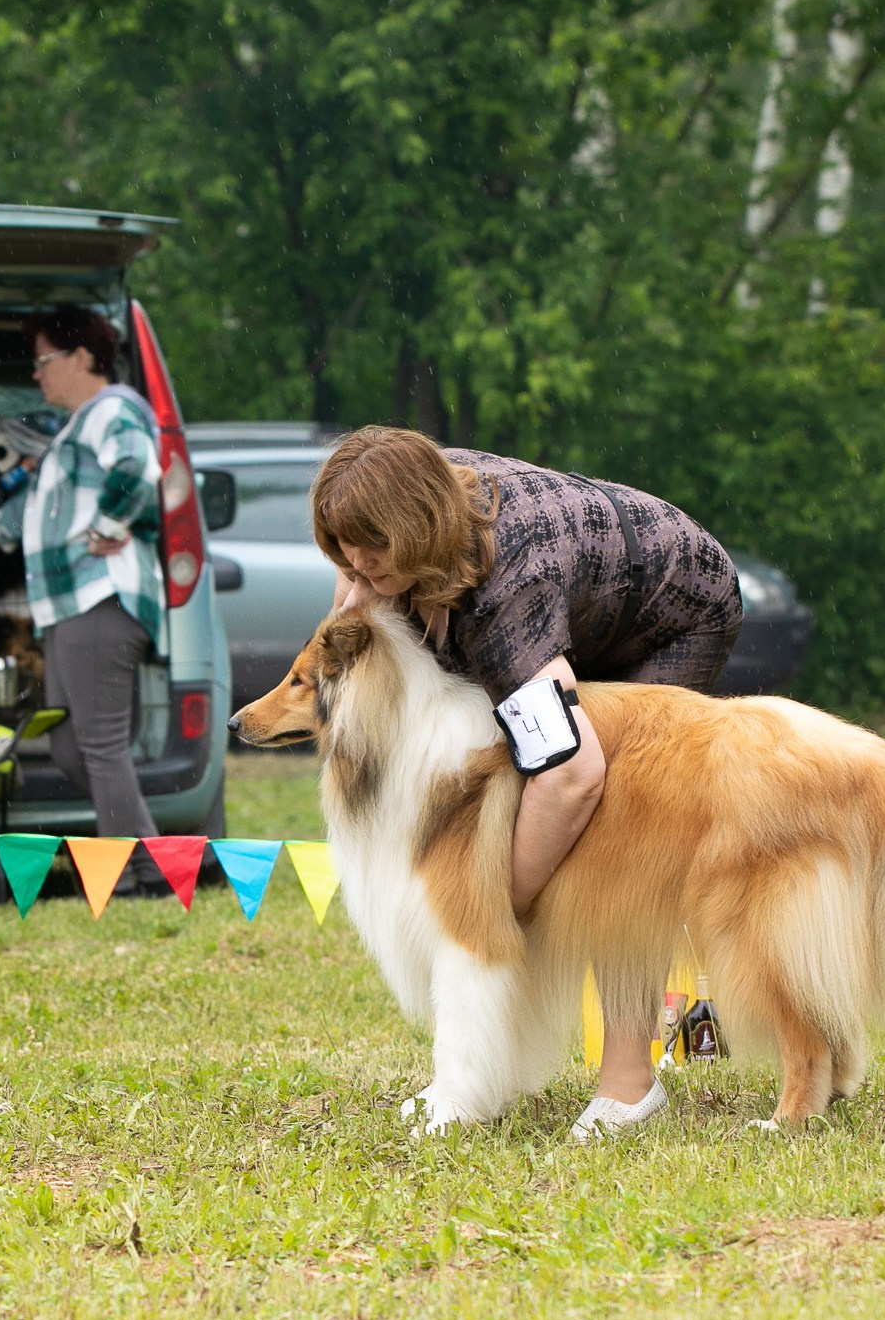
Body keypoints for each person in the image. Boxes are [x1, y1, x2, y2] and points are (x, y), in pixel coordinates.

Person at [311, 426, 742, 1140]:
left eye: (370, 553)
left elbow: (571, 775)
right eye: (340, 548)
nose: (354, 569)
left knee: (613, 830)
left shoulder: (509, 598)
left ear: (417, 531)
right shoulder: (393, 529)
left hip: (678, 609)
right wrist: (361, 589)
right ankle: (479, 1075)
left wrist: (496, 899)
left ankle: (630, 1085)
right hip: (564, 603)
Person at [0, 307, 165, 844]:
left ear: (83, 357)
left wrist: (109, 522)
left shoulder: (112, 408)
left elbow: (137, 465)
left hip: (99, 599)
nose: (37, 374)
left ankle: (129, 875)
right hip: (68, 608)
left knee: (99, 746)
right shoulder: (77, 427)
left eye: (45, 361)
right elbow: (39, 511)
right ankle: (151, 860)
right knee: (69, 748)